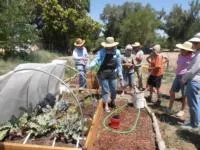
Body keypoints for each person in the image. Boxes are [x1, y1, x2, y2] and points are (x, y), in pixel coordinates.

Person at [89, 37, 123, 112]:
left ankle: (113, 101)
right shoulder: (101, 51)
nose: (109, 47)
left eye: (111, 46)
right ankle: (106, 104)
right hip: (103, 72)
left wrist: (120, 75)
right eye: (108, 46)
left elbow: (119, 64)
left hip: (112, 72)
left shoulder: (117, 52)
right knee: (105, 90)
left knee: (114, 89)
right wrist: (90, 65)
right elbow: (96, 60)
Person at [166, 41, 194, 117]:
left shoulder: (192, 57)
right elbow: (179, 65)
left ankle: (182, 110)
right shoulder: (180, 55)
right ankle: (169, 108)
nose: (182, 50)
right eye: (181, 49)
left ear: (189, 50)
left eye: (183, 49)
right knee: (172, 92)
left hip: (185, 78)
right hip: (177, 76)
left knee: (184, 95)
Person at [181, 32, 200, 129]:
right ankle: (197, 121)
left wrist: (184, 79)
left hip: (194, 80)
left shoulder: (199, 55)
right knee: (196, 101)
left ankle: (194, 124)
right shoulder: (197, 53)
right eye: (193, 42)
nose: (193, 44)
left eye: (196, 43)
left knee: (193, 102)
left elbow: (193, 70)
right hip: (196, 80)